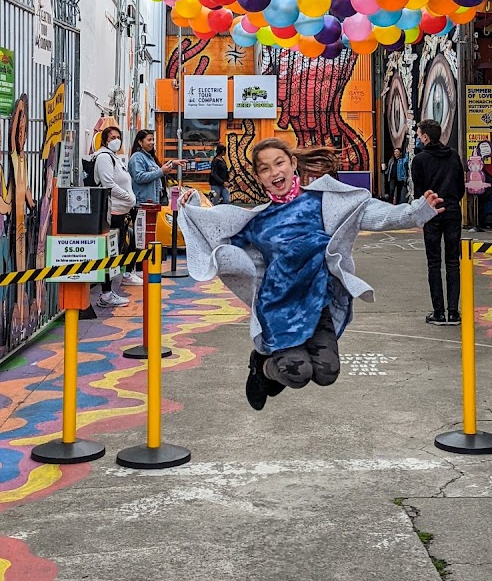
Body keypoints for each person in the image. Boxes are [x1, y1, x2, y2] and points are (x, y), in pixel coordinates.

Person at [179, 138, 444, 412]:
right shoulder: (256, 221)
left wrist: (416, 212)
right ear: (258, 177)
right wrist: (192, 204)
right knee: (297, 373)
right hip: (278, 309)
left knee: (327, 373)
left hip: (317, 304)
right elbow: (213, 232)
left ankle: (274, 361)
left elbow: (370, 213)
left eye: (279, 163)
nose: (274, 172)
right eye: (265, 169)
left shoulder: (323, 202)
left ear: (293, 163)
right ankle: (263, 366)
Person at [411, 119, 465, 328]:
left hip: (431, 213)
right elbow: (460, 187)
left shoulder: (420, 160)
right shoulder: (453, 156)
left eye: (419, 135)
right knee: (453, 262)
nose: (418, 138)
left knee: (434, 263)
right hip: (452, 211)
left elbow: (419, 191)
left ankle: (439, 312)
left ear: (425, 137)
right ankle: (454, 311)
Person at [94, 126, 138, 305]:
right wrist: (128, 198)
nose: (116, 140)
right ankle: (106, 293)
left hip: (120, 212)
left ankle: (109, 291)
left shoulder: (115, 158)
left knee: (117, 251)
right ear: (105, 140)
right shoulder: (104, 157)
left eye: (118, 137)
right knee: (109, 253)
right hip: (111, 213)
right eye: (112, 137)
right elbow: (108, 184)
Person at [128, 130, 183, 206]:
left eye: (153, 140)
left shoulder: (150, 158)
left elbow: (157, 172)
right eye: (149, 140)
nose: (152, 142)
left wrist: (172, 164)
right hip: (142, 204)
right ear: (140, 142)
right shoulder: (137, 157)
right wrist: (161, 171)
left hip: (153, 202)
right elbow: (139, 177)